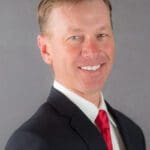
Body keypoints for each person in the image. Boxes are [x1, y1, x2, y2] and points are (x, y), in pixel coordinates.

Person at [5, 0, 146, 150]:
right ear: (46, 50)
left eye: (101, 35)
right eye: (75, 37)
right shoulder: (32, 142)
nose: (92, 50)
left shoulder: (133, 133)